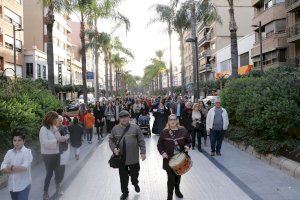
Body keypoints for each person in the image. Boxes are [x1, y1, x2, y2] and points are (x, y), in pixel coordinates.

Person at [109, 110, 146, 200]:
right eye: (122, 117)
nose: (124, 119)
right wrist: (114, 149)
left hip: (133, 157)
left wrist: (143, 152)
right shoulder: (115, 129)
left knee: (134, 174)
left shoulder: (135, 128)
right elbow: (111, 140)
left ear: (129, 117)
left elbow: (141, 140)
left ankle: (135, 182)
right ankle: (125, 192)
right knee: (123, 177)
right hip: (121, 158)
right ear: (119, 119)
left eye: (126, 117)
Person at [157, 114, 191, 200]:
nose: (172, 121)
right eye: (170, 120)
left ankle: (177, 190)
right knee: (171, 179)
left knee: (178, 176)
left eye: (174, 119)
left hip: (181, 159)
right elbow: (159, 145)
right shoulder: (164, 132)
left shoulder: (183, 130)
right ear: (168, 121)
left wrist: (187, 146)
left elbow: (189, 141)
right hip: (169, 160)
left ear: (177, 121)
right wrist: (162, 152)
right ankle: (169, 196)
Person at [39, 111, 69, 200]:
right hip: (47, 155)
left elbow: (59, 138)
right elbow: (44, 143)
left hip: (56, 153)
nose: (57, 120)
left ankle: (58, 188)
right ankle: (45, 193)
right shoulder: (43, 129)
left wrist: (66, 137)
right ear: (51, 119)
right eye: (56, 119)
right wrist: (57, 142)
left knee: (58, 172)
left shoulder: (54, 127)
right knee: (49, 174)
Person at [1, 130, 33, 200]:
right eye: (14, 140)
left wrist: (11, 168)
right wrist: (12, 169)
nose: (16, 142)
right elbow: (3, 165)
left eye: (19, 140)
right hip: (12, 186)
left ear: (24, 141)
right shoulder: (9, 152)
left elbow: (24, 168)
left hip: (24, 185)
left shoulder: (27, 152)